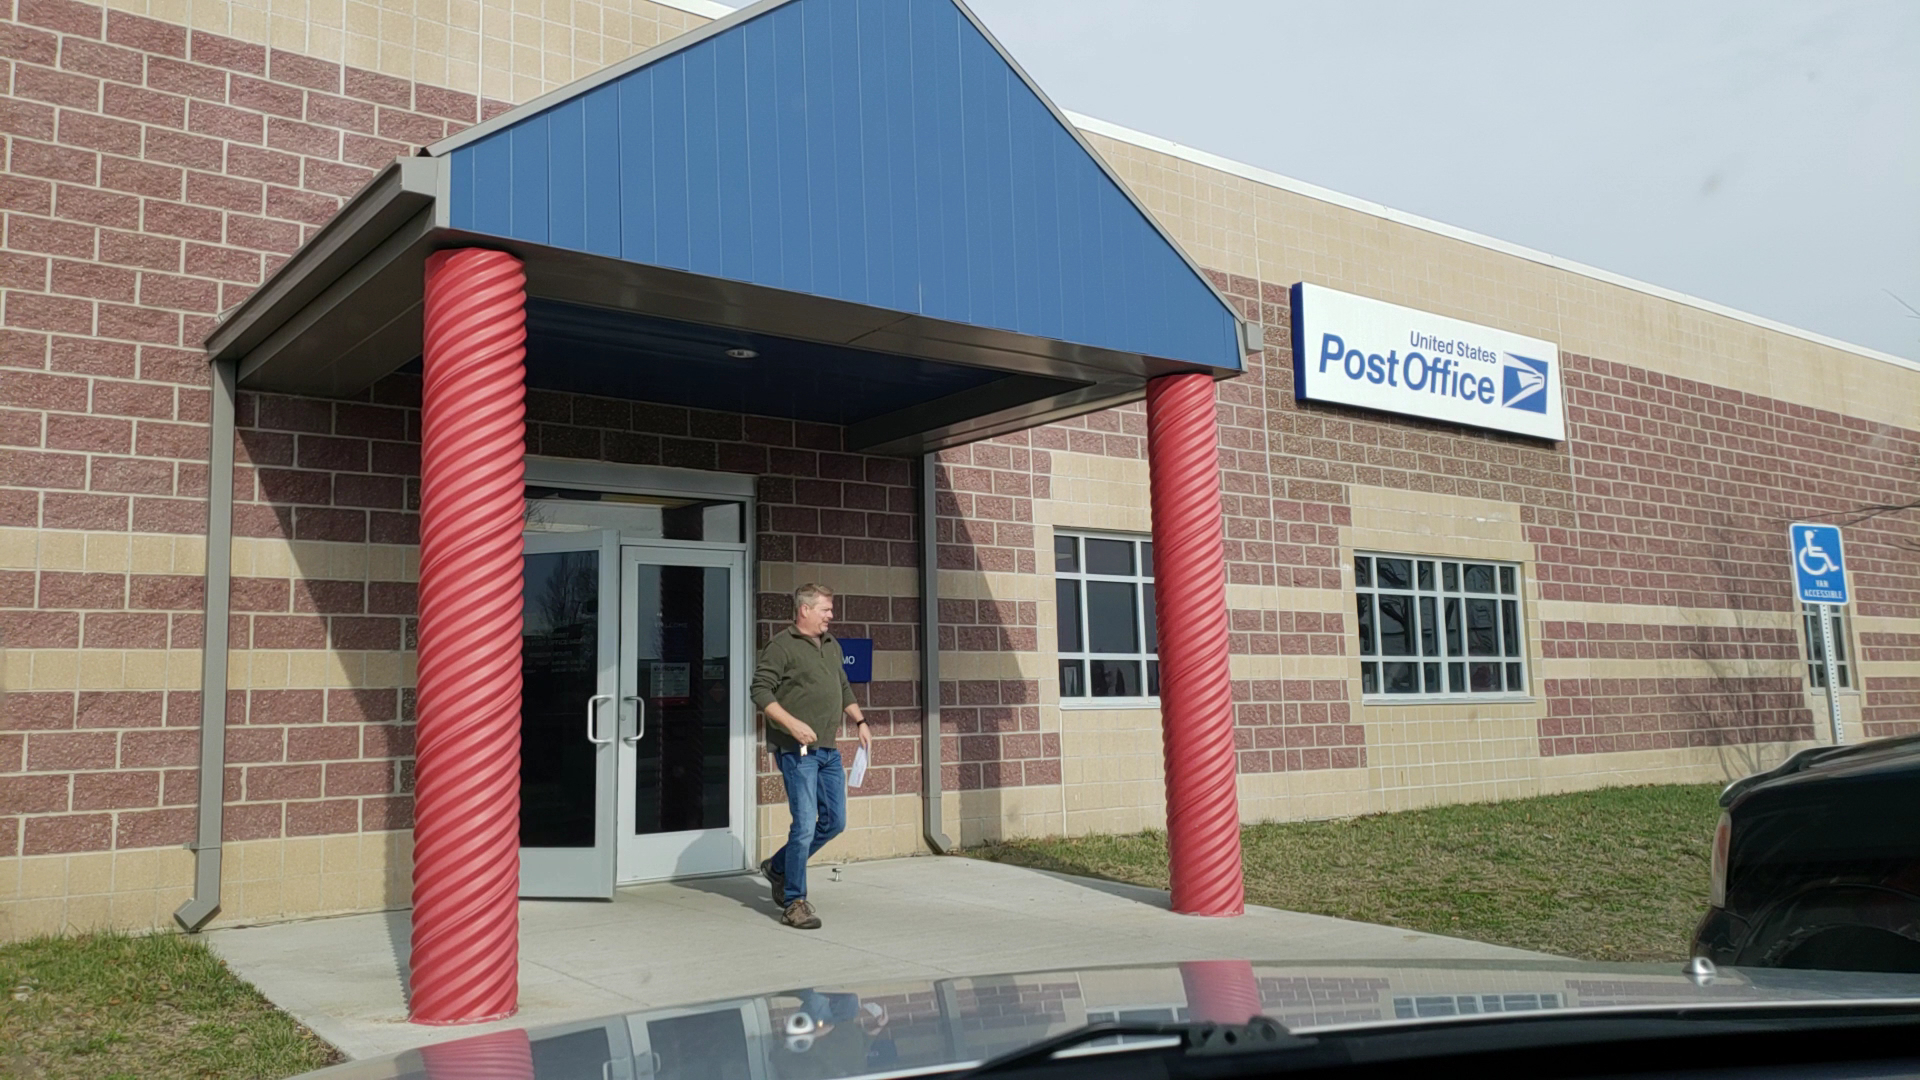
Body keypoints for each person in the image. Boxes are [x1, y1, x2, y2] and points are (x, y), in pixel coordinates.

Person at [751, 583, 872, 929]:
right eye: (825, 609)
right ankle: (794, 902)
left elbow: (842, 686)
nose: (831, 615)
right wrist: (792, 725)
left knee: (834, 822)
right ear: (804, 610)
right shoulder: (781, 646)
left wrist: (860, 721)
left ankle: (778, 867)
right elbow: (760, 690)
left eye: (830, 609)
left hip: (828, 750)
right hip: (797, 751)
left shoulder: (831, 644)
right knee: (804, 824)